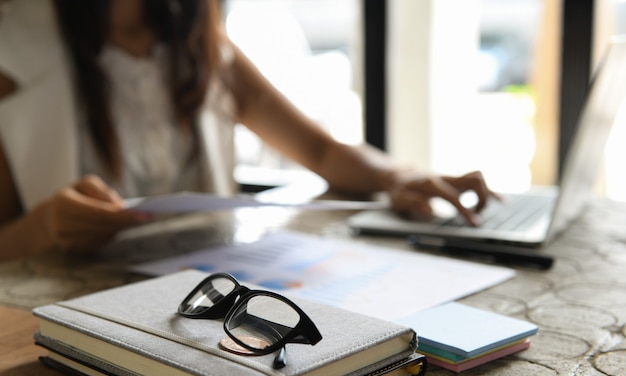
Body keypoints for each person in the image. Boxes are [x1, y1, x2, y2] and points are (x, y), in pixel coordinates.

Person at [0, 0, 497, 262]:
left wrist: (398, 174)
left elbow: (321, 149)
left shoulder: (201, 42)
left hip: (202, 299)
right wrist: (45, 227)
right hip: (64, 316)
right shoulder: (14, 51)